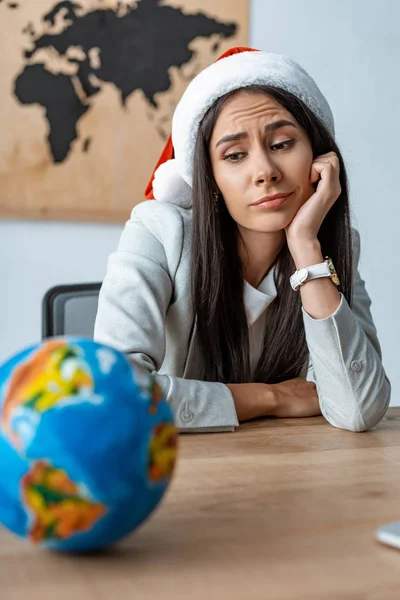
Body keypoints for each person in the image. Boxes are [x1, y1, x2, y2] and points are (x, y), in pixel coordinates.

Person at [94, 46, 390, 432]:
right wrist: (272, 397)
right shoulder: (158, 232)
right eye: (235, 155)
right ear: (209, 178)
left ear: (318, 156)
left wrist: (305, 247)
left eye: (282, 144)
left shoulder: (332, 245)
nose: (264, 171)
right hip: (178, 470)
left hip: (293, 468)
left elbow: (358, 409)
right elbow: (113, 395)